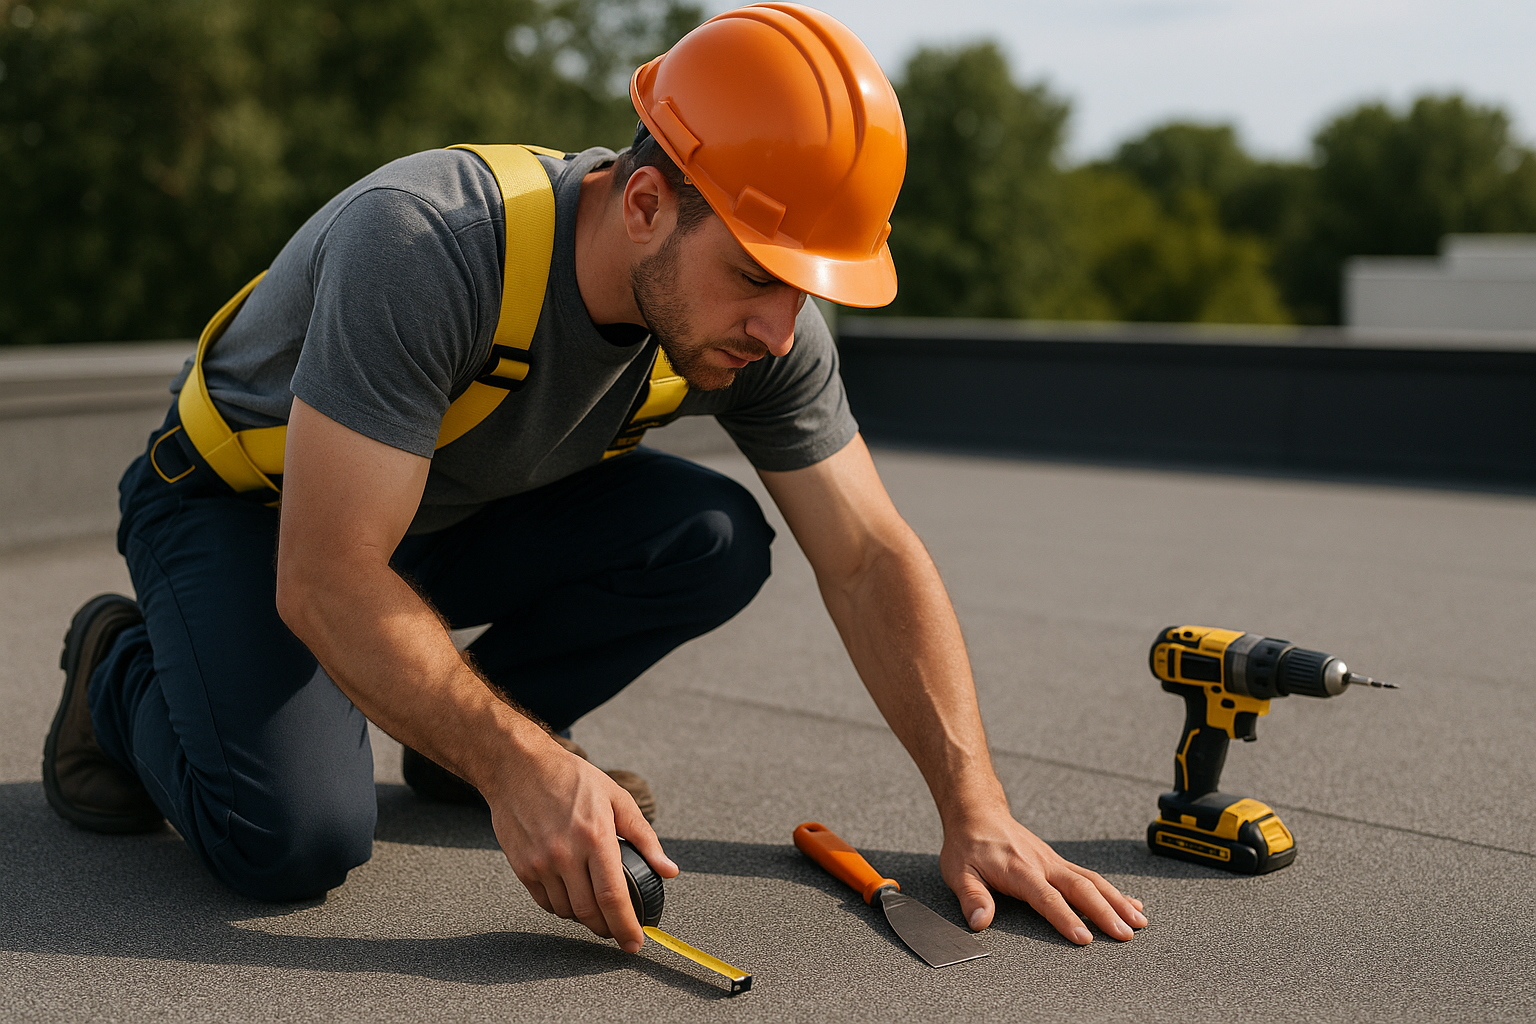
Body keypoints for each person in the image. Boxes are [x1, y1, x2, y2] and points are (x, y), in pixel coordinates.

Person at [42, 3, 1146, 954]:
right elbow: (328, 576)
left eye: (808, 290)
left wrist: (976, 806)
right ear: (647, 202)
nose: (780, 326)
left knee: (712, 531)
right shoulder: (428, 244)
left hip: (440, 514)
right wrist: (525, 768)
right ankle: (119, 665)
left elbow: (867, 552)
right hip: (251, 513)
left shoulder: (766, 324)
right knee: (293, 839)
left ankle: (462, 752)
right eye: (757, 277)